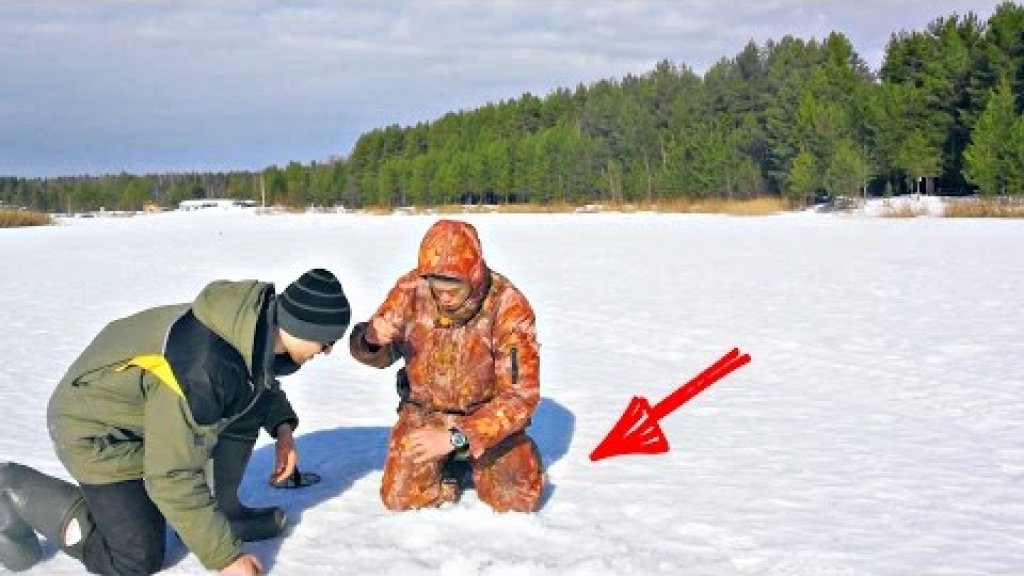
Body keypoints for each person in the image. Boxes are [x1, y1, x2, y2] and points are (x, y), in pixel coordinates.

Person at [0, 268, 351, 575]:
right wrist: (225, 557)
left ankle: (222, 512)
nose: (327, 352)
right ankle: (11, 488)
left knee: (237, 412)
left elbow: (256, 384)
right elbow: (170, 476)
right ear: (301, 327)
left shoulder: (251, 324)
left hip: (146, 421)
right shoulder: (203, 370)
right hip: (96, 434)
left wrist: (283, 429)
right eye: (326, 343)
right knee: (136, 558)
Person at [350, 219, 544, 513]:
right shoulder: (411, 289)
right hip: (425, 413)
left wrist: (458, 436)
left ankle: (503, 455)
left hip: (485, 419)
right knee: (400, 498)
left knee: (516, 501)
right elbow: (379, 350)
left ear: (475, 275)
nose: (444, 297)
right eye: (437, 288)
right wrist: (370, 339)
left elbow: (520, 398)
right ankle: (451, 470)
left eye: (453, 288)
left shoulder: (509, 307)